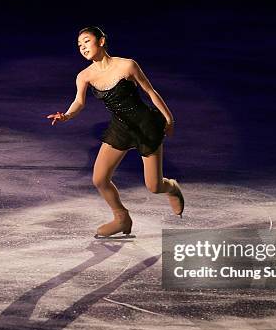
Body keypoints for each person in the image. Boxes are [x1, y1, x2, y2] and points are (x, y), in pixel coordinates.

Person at [46, 26, 184, 238]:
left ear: (101, 41)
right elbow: (79, 102)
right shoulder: (84, 76)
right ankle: (121, 217)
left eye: (86, 41)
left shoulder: (127, 65)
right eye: (79, 45)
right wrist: (66, 115)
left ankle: (172, 187)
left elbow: (150, 91)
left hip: (145, 125)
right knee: (99, 179)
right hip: (120, 127)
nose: (82, 47)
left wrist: (169, 118)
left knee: (154, 186)